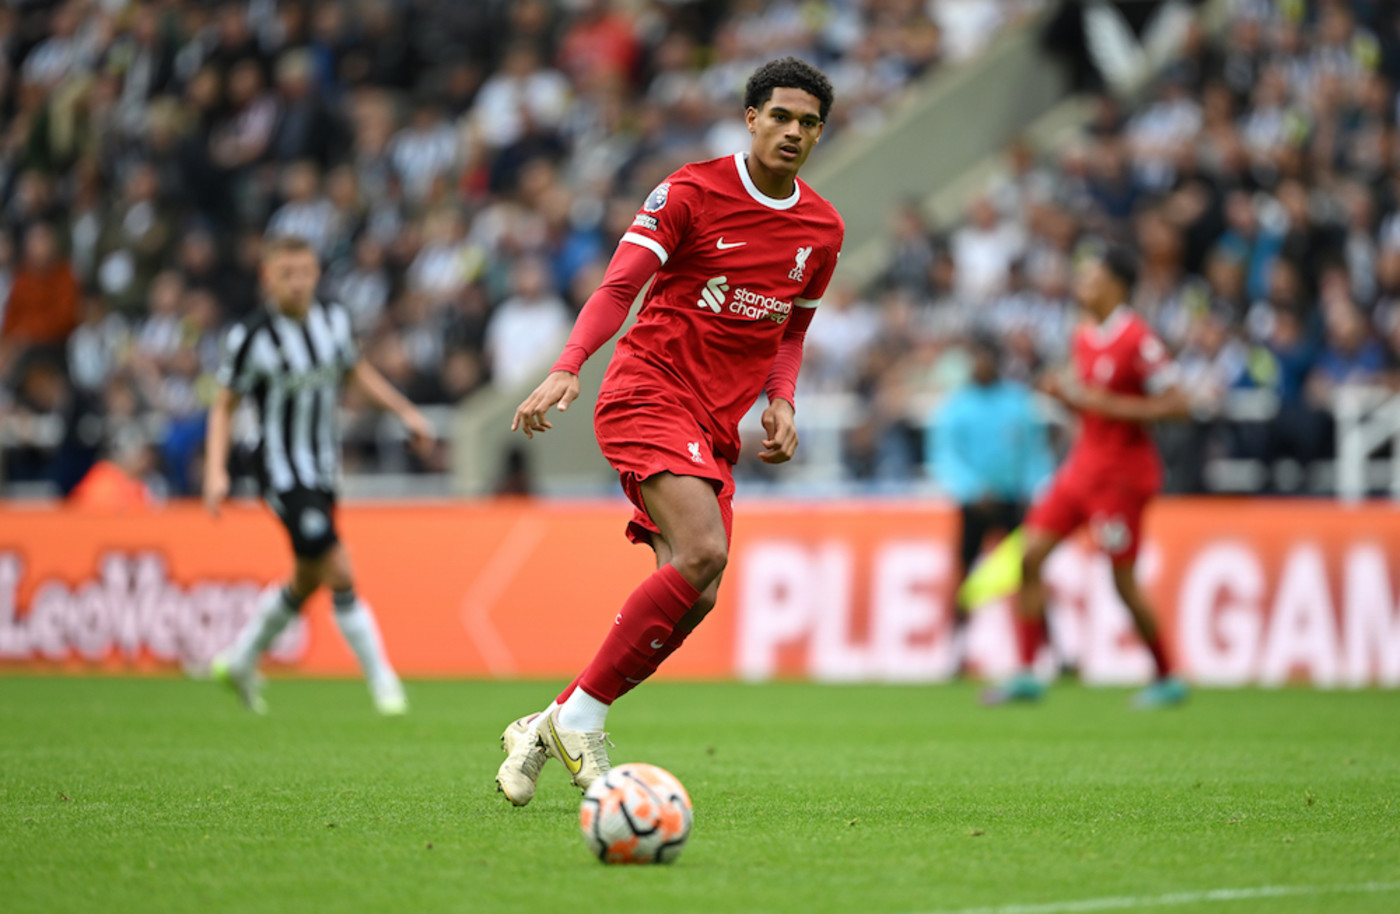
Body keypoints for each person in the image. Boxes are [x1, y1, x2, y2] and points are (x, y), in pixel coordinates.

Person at [495, 57, 844, 805]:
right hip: (647, 392)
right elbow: (620, 284)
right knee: (704, 551)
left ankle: (551, 720)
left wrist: (781, 397)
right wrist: (568, 365)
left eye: (808, 122)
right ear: (750, 118)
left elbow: (791, 332)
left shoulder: (821, 229)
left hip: (714, 425)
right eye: (780, 116)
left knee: (699, 591)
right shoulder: (691, 191)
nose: (792, 131)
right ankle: (580, 717)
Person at [203, 235, 434, 715]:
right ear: (268, 277)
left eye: (304, 272)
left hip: (324, 468)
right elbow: (224, 406)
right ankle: (384, 684)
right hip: (279, 471)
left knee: (308, 575)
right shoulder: (250, 337)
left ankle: (240, 661)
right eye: (286, 273)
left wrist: (405, 411)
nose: (297, 282)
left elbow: (356, 372)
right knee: (339, 567)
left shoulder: (333, 319)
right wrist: (214, 472)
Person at [983, 244, 1191, 709]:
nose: (1082, 285)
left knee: (1122, 581)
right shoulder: (1082, 335)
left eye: (1091, 278)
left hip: (1122, 476)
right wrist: (1066, 397)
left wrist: (1108, 405)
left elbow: (1180, 404)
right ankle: (1025, 674)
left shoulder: (1139, 338)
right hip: (1082, 467)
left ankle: (1167, 675)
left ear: (1116, 285)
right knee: (1030, 556)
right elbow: (1090, 405)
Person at [930, 334, 1052, 675]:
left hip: (1014, 501)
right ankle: (955, 652)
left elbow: (1034, 453)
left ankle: (1050, 651)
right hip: (975, 506)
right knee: (966, 575)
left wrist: (1032, 487)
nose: (982, 367)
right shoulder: (957, 406)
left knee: (1032, 573)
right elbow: (945, 457)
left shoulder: (1018, 403)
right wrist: (972, 489)